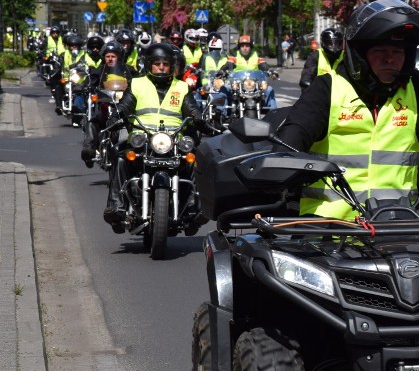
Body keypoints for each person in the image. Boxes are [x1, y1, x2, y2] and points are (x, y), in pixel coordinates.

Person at [270, 0, 419, 220]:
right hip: (326, 231)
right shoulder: (327, 88)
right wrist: (281, 165)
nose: (389, 59)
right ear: (359, 56)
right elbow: (288, 146)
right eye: (380, 51)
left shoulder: (417, 88)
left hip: (397, 230)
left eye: (397, 51)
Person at [102, 43, 211, 227]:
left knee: (196, 158)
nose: (161, 67)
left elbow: (192, 109)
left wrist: (199, 119)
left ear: (172, 66)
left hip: (173, 141)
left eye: (165, 64)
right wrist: (116, 117)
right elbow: (125, 105)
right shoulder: (137, 84)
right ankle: (116, 205)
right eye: (157, 63)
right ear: (149, 64)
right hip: (142, 140)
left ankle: (193, 207)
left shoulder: (182, 87)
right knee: (119, 155)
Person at [225, 35, 278, 108]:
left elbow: (264, 65)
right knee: (226, 87)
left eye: (247, 46)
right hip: (237, 84)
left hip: (254, 84)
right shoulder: (234, 55)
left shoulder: (256, 55)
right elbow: (228, 65)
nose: (245, 48)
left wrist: (271, 71)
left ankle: (273, 113)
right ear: (239, 47)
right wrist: (223, 71)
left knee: (269, 89)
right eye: (242, 46)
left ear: (251, 47)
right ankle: (224, 111)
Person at [58, 33, 88, 123]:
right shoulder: (65, 54)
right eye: (72, 46)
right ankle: (60, 105)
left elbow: (86, 64)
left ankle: (78, 109)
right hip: (68, 77)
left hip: (81, 78)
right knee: (58, 86)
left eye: (76, 45)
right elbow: (63, 65)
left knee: (80, 92)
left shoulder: (84, 54)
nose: (74, 47)